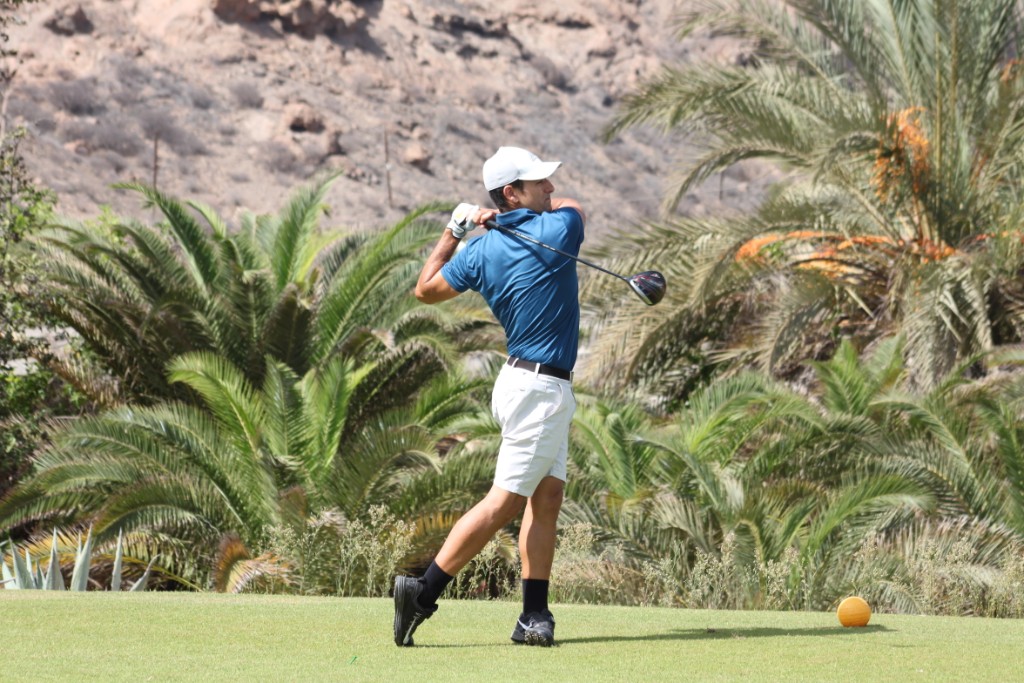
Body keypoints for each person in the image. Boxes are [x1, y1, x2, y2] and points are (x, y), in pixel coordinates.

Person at [393, 145, 586, 648]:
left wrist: (455, 231)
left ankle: (533, 616)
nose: (549, 188)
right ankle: (423, 591)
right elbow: (575, 207)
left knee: (547, 497)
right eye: (536, 182)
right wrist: (503, 220)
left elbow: (426, 288)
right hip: (539, 389)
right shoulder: (557, 229)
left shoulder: (479, 249)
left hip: (527, 383)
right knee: (504, 502)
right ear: (511, 192)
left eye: (547, 181)